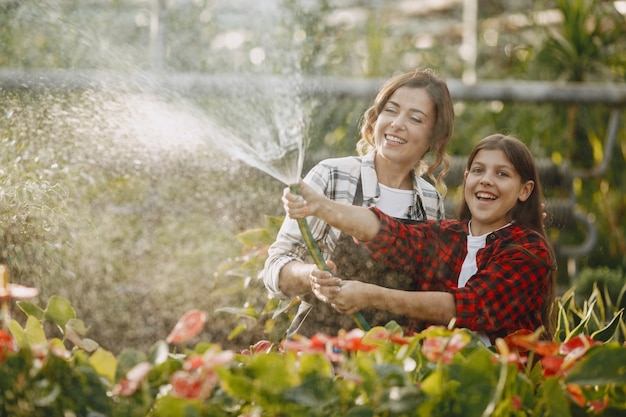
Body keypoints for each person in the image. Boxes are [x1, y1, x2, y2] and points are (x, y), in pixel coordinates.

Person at [282, 134, 557, 344]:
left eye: (502, 174)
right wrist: (320, 206)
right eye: (478, 170)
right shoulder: (447, 236)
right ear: (466, 178)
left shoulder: (530, 250)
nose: (486, 180)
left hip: (502, 388)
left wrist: (370, 296)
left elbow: (466, 307)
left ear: (525, 190)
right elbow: (387, 233)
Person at [263, 68, 455, 336]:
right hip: (321, 349)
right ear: (375, 119)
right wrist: (310, 276)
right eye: (391, 110)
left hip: (394, 355)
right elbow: (275, 268)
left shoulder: (430, 201)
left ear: (434, 136)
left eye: (415, 118)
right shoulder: (333, 175)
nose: (397, 123)